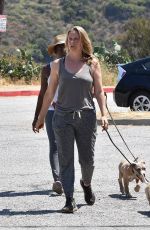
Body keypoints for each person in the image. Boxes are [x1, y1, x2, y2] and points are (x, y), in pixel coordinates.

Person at [35, 26, 108, 213]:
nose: (72, 42)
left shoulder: (92, 63)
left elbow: (99, 91)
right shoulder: (58, 64)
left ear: (83, 40)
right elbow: (50, 92)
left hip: (86, 116)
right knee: (66, 159)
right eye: (70, 38)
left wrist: (104, 114)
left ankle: (86, 182)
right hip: (62, 117)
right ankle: (69, 199)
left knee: (88, 161)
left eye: (75, 38)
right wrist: (41, 117)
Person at [32, 34, 66, 195]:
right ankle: (58, 179)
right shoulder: (47, 69)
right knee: (55, 146)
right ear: (56, 50)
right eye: (60, 47)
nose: (63, 50)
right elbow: (42, 94)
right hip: (52, 112)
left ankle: (66, 178)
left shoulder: (77, 67)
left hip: (70, 112)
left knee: (65, 147)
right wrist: (37, 117)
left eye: (64, 46)